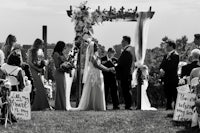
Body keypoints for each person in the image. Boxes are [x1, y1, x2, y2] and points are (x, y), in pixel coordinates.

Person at [72, 39, 114, 111]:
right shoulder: (92, 56)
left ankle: (98, 105)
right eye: (96, 46)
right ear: (92, 48)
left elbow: (100, 64)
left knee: (98, 89)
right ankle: (93, 105)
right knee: (93, 89)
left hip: (98, 74)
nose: (97, 47)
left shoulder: (96, 55)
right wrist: (108, 70)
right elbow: (97, 65)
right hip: (93, 74)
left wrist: (108, 68)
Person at [27, 38, 50, 111]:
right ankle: (36, 105)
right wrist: (37, 68)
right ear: (38, 44)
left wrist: (42, 65)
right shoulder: (31, 51)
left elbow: (40, 60)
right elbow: (30, 62)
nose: (42, 46)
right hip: (32, 70)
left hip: (38, 71)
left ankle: (42, 105)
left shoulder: (39, 51)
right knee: (37, 87)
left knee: (41, 88)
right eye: (41, 44)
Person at [116, 36, 136, 110]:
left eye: (122, 41)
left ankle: (128, 105)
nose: (121, 43)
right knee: (126, 89)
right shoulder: (130, 50)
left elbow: (122, 63)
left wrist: (116, 66)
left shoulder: (127, 51)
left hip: (125, 73)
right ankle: (128, 104)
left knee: (126, 90)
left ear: (126, 42)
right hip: (126, 73)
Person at [52, 41, 72, 110]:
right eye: (63, 47)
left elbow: (65, 61)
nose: (64, 48)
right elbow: (57, 66)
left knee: (63, 89)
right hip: (58, 73)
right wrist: (63, 67)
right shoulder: (55, 54)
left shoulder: (61, 54)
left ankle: (62, 106)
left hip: (62, 73)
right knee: (60, 90)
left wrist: (69, 63)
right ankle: (59, 106)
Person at [160, 40, 179, 110]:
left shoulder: (175, 55)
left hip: (173, 77)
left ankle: (176, 108)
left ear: (171, 46)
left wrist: (164, 70)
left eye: (167, 46)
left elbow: (172, 66)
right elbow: (162, 64)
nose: (166, 47)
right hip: (166, 77)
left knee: (174, 93)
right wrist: (161, 69)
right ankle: (168, 107)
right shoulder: (166, 55)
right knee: (167, 93)